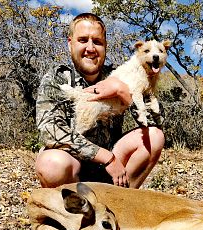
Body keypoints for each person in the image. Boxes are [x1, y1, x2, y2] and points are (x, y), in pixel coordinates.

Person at [35, 13, 164, 189]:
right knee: (51, 163)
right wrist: (106, 158)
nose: (90, 48)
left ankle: (121, 204)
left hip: (113, 167)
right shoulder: (56, 78)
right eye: (82, 40)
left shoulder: (121, 73)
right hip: (76, 166)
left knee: (154, 137)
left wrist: (122, 91)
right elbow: (50, 132)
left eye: (97, 42)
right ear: (70, 43)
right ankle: (76, 211)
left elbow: (157, 121)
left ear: (105, 46)